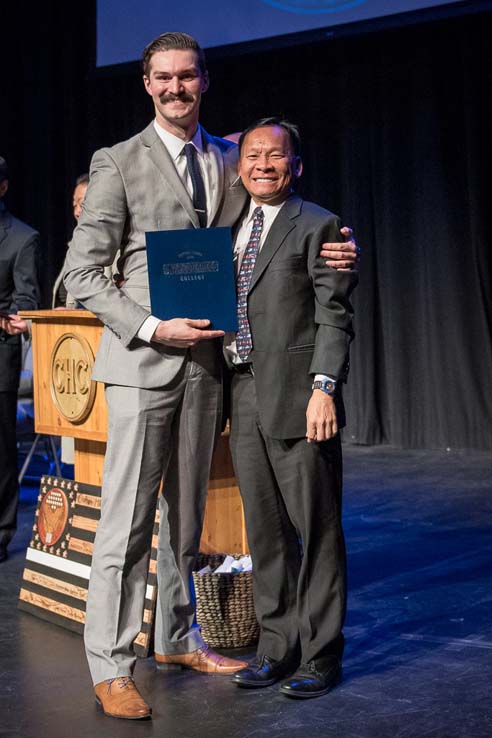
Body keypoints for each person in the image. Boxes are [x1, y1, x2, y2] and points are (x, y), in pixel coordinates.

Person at [64, 32, 358, 720]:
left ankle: (172, 635)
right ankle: (111, 665)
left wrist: (341, 246)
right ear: (145, 84)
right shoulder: (117, 162)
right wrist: (149, 326)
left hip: (207, 373)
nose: (175, 88)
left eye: (187, 77)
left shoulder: (229, 156)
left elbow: (285, 215)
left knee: (186, 524)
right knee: (128, 525)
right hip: (144, 364)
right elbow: (79, 274)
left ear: (204, 81)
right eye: (162, 78)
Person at [227, 118, 357, 699]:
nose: (262, 164)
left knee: (318, 529)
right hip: (242, 392)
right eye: (252, 154)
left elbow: (334, 314)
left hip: (301, 394)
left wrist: (324, 387)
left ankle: (321, 655)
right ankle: (276, 649)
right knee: (266, 532)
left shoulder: (320, 225)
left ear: (295, 166)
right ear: (239, 165)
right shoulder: (225, 227)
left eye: (274, 156)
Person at [0, 156, 40, 563]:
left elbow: (25, 305)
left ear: (4, 188)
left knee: (0, 451)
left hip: (0, 355)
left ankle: (1, 532)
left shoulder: (21, 238)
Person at [52, 173, 89, 309]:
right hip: (67, 328)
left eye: (82, 204)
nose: (77, 212)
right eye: (74, 205)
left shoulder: (112, 249)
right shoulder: (75, 246)